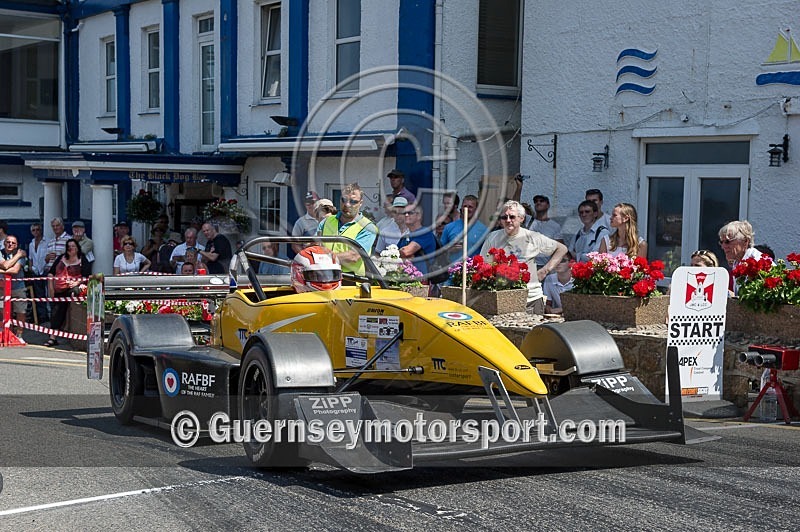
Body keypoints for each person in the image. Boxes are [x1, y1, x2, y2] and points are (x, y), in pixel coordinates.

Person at [480, 200, 568, 314]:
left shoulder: (532, 237)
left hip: (531, 298)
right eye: (504, 217)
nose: (508, 220)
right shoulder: (493, 237)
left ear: (521, 218)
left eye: (512, 217)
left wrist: (544, 271)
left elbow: (562, 249)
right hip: (503, 299)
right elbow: (483, 264)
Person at [318, 183, 378, 275]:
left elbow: (354, 256)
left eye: (353, 201)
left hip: (351, 280)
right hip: (325, 277)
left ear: (361, 203)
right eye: (344, 200)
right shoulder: (326, 221)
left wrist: (323, 259)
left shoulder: (368, 227)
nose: (347, 204)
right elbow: (315, 246)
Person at [45, 238, 91, 347]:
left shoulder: (82, 259)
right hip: (59, 288)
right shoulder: (61, 258)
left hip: (73, 288)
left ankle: (67, 331)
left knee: (75, 296)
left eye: (73, 246)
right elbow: (51, 273)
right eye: (69, 246)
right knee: (56, 312)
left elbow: (87, 276)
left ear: (77, 248)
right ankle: (52, 338)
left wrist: (77, 282)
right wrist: (51, 287)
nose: (71, 248)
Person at [718, 220, 770, 295]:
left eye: (727, 241)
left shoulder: (758, 260)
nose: (723, 246)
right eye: (721, 242)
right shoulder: (737, 262)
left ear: (745, 241)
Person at [440, 195, 488, 263]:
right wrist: (450, 250)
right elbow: (440, 252)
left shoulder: (484, 230)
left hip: (473, 268)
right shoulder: (449, 227)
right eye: (465, 206)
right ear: (461, 208)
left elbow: (486, 254)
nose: (467, 209)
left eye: (470, 207)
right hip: (453, 268)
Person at [0, 235, 28, 338]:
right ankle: (7, 333)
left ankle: (19, 335)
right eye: (8, 242)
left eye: (13, 243)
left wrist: (2, 269)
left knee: (21, 311)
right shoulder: (1, 253)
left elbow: (15, 270)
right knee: (2, 311)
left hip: (18, 287)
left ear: (16, 245)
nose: (10, 244)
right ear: (4, 243)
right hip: (2, 288)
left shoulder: (21, 254)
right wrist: (17, 256)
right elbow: (5, 265)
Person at [398, 203, 437, 275]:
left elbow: (406, 251)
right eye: (404, 213)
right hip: (406, 278)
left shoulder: (425, 233)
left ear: (419, 216)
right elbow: (395, 254)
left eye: (410, 213)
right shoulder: (405, 237)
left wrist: (404, 254)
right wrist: (403, 255)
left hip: (423, 278)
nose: (406, 215)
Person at [526, 195, 563, 270]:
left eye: (541, 201)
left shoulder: (555, 226)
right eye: (536, 201)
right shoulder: (527, 220)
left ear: (548, 205)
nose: (538, 203)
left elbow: (560, 248)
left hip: (545, 267)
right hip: (528, 265)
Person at [27, 222, 49, 322]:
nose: (36, 232)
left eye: (38, 229)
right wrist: (31, 267)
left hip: (45, 271)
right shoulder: (31, 244)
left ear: (41, 230)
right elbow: (30, 258)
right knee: (38, 294)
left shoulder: (47, 242)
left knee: (47, 294)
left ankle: (48, 315)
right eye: (33, 230)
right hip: (35, 272)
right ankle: (41, 316)